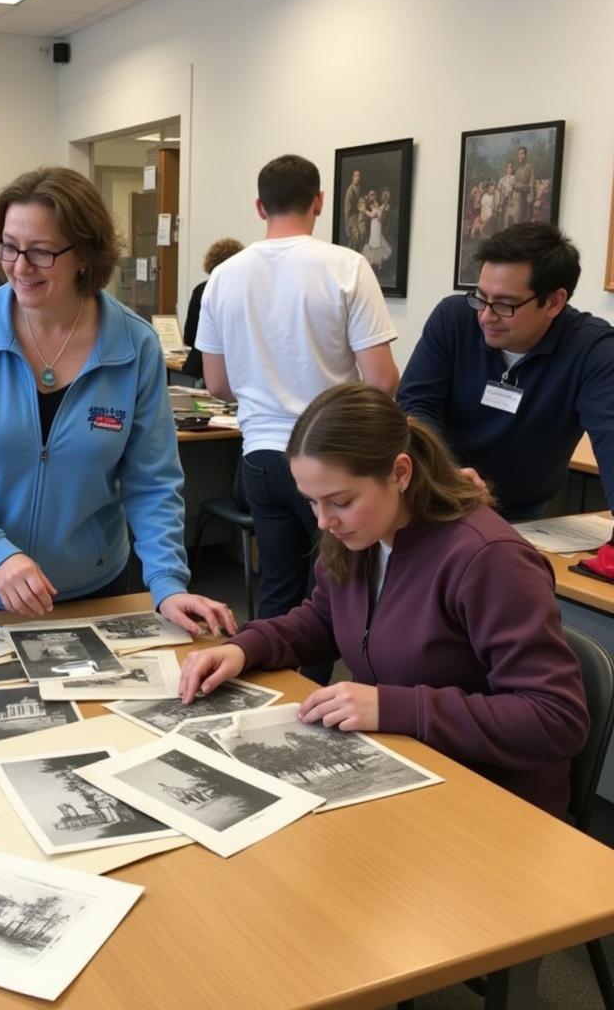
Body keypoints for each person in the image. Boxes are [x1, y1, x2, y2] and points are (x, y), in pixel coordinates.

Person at [178, 383, 589, 819]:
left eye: (341, 501)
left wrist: (397, 706)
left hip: (491, 804)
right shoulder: (361, 534)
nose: (323, 521)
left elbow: (556, 718)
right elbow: (324, 618)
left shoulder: (488, 559)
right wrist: (244, 647)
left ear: (400, 473)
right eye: (311, 502)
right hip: (405, 769)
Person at [0, 166, 235, 639]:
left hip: (92, 585)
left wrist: (166, 582)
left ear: (84, 254)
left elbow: (153, 481)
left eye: (40, 252)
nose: (19, 267)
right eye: (9, 247)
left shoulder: (133, 344)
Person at [194, 154, 398, 683]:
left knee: (278, 590)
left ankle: (272, 702)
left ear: (259, 206)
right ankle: (317, 701)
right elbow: (381, 379)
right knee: (336, 594)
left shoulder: (223, 276)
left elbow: (215, 385)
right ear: (320, 202)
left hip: (260, 456)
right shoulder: (346, 266)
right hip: (331, 463)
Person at [397, 222, 614, 520]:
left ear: (553, 302)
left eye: (504, 305)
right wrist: (447, 474)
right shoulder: (454, 320)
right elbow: (415, 406)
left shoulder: (592, 349)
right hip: (438, 495)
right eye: (481, 297)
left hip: (523, 510)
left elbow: (610, 435)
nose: (486, 316)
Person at [180, 238, 243, 380]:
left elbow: (190, 337)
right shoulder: (245, 292)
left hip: (199, 366)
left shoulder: (202, 290)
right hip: (232, 369)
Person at [510, 146, 536, 225]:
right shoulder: (517, 170)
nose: (520, 156)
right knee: (516, 220)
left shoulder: (529, 167)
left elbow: (531, 184)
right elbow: (513, 184)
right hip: (517, 199)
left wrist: (530, 197)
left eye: (522, 154)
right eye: (518, 154)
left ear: (525, 155)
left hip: (526, 198)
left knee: (525, 222)